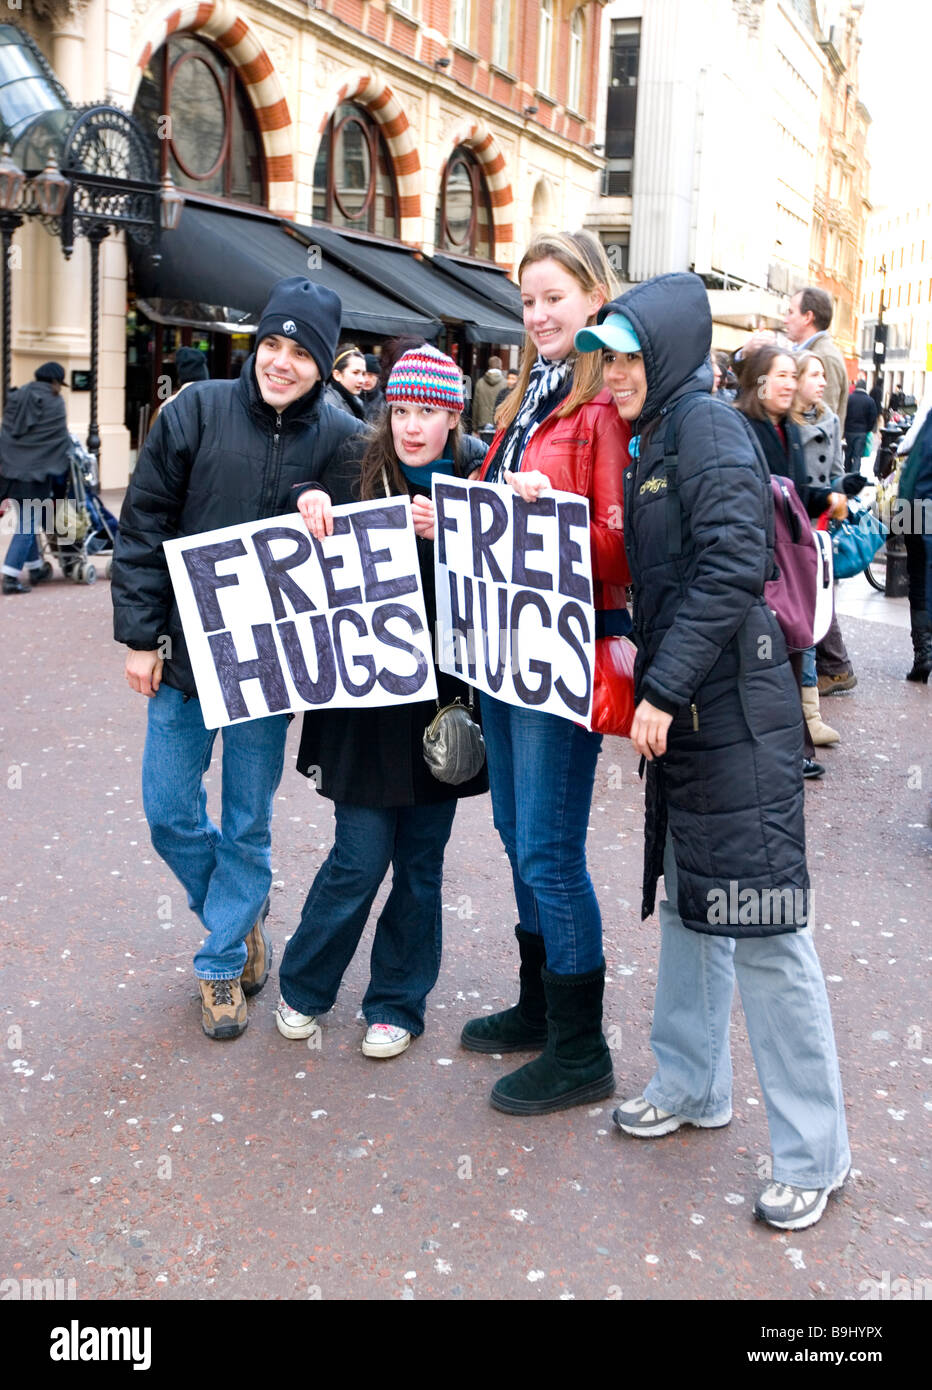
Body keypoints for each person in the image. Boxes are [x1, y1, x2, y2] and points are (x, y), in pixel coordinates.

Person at [577, 272, 850, 1231]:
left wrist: (661, 685)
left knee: (767, 930)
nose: (610, 375)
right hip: (701, 717)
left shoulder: (704, 430)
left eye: (623, 356)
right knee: (696, 904)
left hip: (732, 716)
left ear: (666, 352)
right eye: (604, 358)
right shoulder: (660, 431)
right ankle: (693, 1085)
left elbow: (734, 561)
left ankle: (816, 1155)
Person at [111, 276, 365, 1040]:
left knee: (247, 823)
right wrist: (137, 635)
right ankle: (244, 911)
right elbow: (145, 521)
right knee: (167, 811)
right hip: (186, 661)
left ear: (324, 366)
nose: (279, 362)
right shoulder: (194, 409)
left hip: (269, 672)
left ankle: (221, 963)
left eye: (299, 353)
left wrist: (334, 512)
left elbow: (363, 556)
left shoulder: (346, 438)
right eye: (272, 344)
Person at [454, 230, 631, 1115]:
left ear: (595, 295)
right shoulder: (530, 394)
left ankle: (581, 1050)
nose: (539, 314)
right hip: (506, 648)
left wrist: (557, 512)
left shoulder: (604, 406)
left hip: (563, 649)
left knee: (551, 850)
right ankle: (539, 1007)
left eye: (554, 296)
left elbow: (620, 546)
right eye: (528, 301)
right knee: (518, 836)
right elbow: (492, 512)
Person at [275, 344, 488, 1058]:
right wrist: (306, 500)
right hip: (362, 708)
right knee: (358, 858)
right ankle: (305, 985)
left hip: (441, 710)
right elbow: (296, 513)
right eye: (401, 409)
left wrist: (458, 526)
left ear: (453, 415)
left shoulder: (477, 472)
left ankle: (397, 1002)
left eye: (428, 411)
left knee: (422, 865)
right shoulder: (353, 463)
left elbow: (515, 558)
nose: (411, 426)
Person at [734, 344, 851, 777]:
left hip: (789, 561)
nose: (788, 383)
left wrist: (833, 495)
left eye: (791, 375)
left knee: (792, 651)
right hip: (756, 560)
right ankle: (785, 749)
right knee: (771, 654)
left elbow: (796, 494)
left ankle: (793, 749)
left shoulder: (788, 429)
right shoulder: (741, 426)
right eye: (779, 375)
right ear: (759, 381)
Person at [791, 351, 848, 746]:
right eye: (815, 374)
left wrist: (845, 492)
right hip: (788, 532)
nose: (823, 382)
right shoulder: (780, 424)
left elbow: (837, 472)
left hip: (817, 532)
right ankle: (796, 716)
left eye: (824, 375)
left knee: (810, 623)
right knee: (794, 625)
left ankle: (809, 714)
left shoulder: (831, 419)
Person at [0, 362, 71, 594]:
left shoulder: (18, 396)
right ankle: (10, 576)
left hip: (11, 472)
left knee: (25, 520)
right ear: (56, 382)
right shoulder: (55, 401)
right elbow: (59, 438)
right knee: (29, 524)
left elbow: (6, 433)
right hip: (37, 474)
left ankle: (36, 568)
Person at [783, 286, 849, 431]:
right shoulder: (807, 353)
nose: (785, 320)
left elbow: (822, 420)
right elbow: (764, 394)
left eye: (791, 313)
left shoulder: (824, 356)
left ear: (808, 317)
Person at [844, 378, 879, 473]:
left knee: (848, 454)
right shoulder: (870, 401)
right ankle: (855, 474)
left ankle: (846, 473)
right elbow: (873, 417)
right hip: (861, 432)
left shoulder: (849, 398)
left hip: (848, 430)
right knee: (857, 456)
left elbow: (844, 413)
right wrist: (867, 429)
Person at [324, 344, 368, 420]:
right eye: (355, 372)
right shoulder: (328, 405)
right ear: (337, 375)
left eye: (363, 374)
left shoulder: (356, 401)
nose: (362, 380)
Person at [471, 355, 504, 431]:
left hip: (482, 424)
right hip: (498, 424)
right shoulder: (505, 384)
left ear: (489, 366)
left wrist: (474, 426)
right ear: (500, 366)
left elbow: (475, 406)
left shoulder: (480, 383)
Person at [360, 352, 385, 422]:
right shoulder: (349, 399)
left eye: (370, 375)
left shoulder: (384, 402)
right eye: (363, 374)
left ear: (377, 376)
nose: (366, 380)